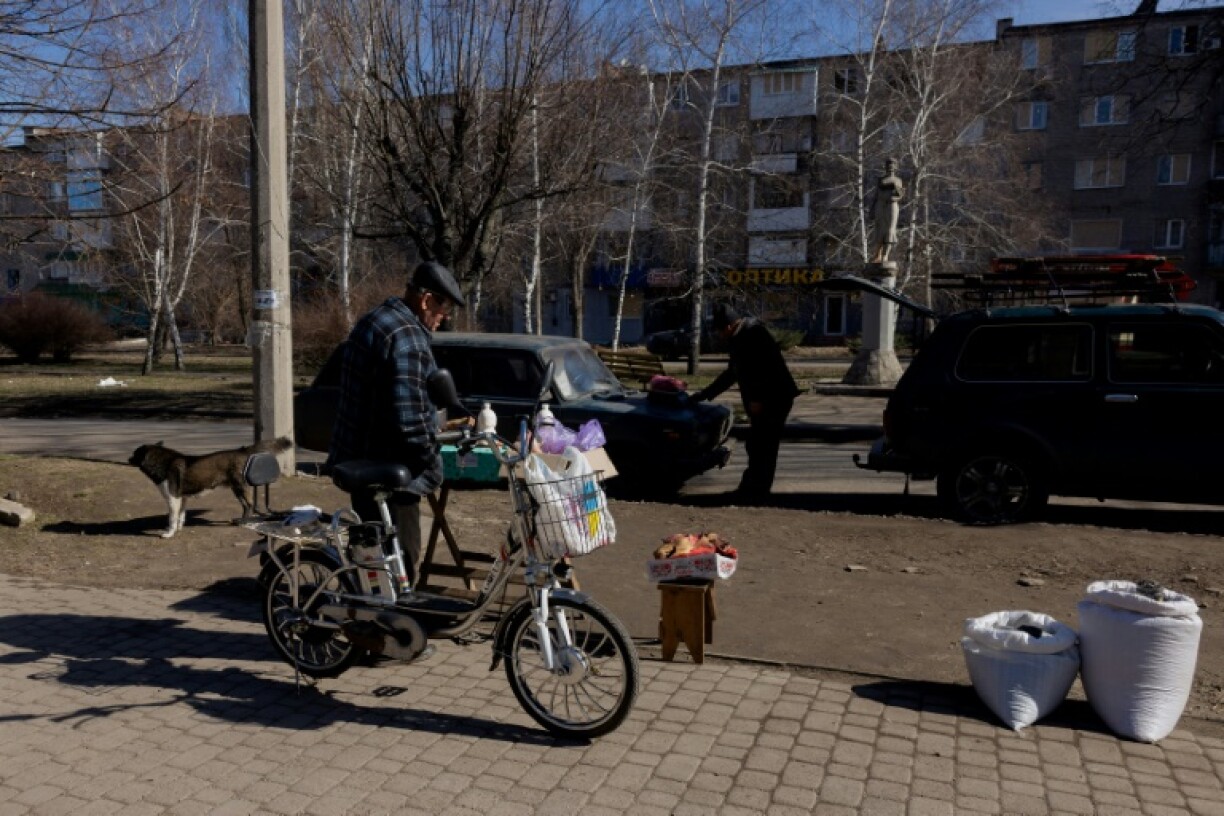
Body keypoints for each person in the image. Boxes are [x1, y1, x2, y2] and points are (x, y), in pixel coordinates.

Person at [327, 260, 466, 588]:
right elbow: (410, 422)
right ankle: (387, 631)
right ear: (426, 299)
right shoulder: (407, 339)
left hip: (357, 459)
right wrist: (433, 463)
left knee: (369, 556)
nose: (444, 317)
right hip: (386, 472)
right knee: (400, 563)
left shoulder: (376, 320)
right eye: (443, 307)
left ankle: (364, 624)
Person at [691, 304, 801, 500]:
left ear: (729, 326)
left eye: (719, 330)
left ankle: (757, 491)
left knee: (763, 445)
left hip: (774, 398)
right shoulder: (740, 336)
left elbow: (766, 369)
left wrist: (758, 399)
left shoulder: (754, 334)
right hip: (765, 399)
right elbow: (732, 372)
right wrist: (706, 394)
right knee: (757, 444)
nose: (718, 335)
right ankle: (751, 487)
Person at [871, 158, 904, 264]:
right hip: (880, 206)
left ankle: (885, 255)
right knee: (879, 229)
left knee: (890, 229)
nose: (890, 166)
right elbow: (876, 195)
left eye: (893, 164)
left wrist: (895, 196)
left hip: (891, 206)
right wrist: (872, 209)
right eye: (888, 164)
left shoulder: (898, 180)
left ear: (896, 166)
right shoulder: (880, 179)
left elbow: (900, 195)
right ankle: (877, 255)